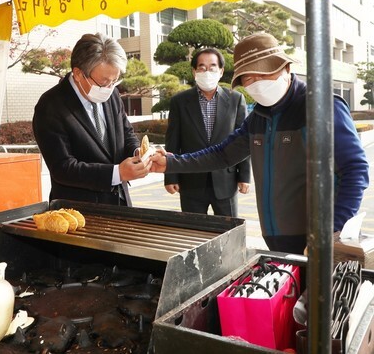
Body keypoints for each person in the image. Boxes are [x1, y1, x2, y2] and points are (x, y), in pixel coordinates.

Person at [151, 32, 369, 254]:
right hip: (275, 240)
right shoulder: (258, 117)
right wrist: (172, 163)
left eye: (263, 72)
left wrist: (329, 233)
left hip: (316, 242)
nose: (256, 83)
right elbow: (222, 154)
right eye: (248, 78)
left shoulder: (320, 105)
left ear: (286, 68)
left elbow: (355, 170)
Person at [32, 32, 151, 206]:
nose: (109, 88)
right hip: (78, 210)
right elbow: (63, 168)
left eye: (115, 81)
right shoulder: (51, 105)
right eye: (103, 82)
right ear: (79, 74)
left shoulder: (112, 95)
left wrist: (138, 153)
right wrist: (117, 173)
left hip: (120, 203)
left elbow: (126, 133)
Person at [165, 48, 251, 217]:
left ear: (221, 71)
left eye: (212, 67)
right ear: (194, 71)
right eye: (202, 67)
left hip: (226, 180)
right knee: (193, 234)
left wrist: (245, 176)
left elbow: (243, 140)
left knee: (229, 233)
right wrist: (171, 176)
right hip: (191, 181)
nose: (207, 71)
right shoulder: (179, 102)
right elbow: (173, 142)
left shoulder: (235, 99)